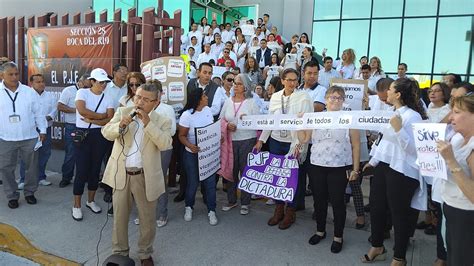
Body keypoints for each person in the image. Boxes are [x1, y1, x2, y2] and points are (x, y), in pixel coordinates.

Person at [101, 81, 172, 266]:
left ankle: (145, 253)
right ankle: (120, 252)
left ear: (156, 102)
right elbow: (106, 132)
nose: (139, 102)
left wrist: (148, 124)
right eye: (138, 97)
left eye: (146, 100)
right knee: (120, 217)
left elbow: (166, 144)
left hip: (145, 176)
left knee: (147, 220)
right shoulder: (124, 112)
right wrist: (120, 126)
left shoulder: (162, 120)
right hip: (121, 174)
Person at [361, 78, 427, 265]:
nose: (386, 92)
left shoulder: (413, 116)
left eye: (390, 89)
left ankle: (399, 257)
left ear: (398, 94)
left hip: (403, 170)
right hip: (385, 166)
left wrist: (399, 130)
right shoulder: (393, 112)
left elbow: (415, 150)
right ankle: (377, 246)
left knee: (398, 214)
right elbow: (384, 140)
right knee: (377, 206)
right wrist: (373, 161)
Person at [298, 86, 360, 253]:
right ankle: (320, 230)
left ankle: (338, 236)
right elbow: (304, 139)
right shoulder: (315, 118)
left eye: (339, 97)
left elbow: (355, 144)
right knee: (319, 200)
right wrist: (299, 125)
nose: (335, 100)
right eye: (332, 97)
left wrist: (355, 169)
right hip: (317, 165)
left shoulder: (349, 118)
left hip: (339, 167)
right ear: (325, 99)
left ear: (343, 100)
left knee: (338, 202)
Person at [254, 68, 313, 230]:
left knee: (292, 178)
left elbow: (306, 124)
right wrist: (261, 140)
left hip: (293, 142)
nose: (292, 83)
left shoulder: (303, 97)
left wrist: (299, 145)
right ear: (282, 80)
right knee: (277, 177)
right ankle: (279, 209)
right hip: (276, 141)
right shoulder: (275, 97)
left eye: (295, 80)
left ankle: (290, 211)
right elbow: (270, 121)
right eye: (289, 79)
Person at [0, 62, 47, 209]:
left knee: (32, 167)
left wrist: (43, 130)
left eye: (16, 74)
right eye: (10, 74)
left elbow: (38, 113)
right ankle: (12, 195)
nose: (14, 77)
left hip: (29, 137)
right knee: (7, 168)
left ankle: (30, 193)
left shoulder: (28, 91)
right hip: (6, 138)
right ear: (2, 75)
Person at [71, 68, 114, 221]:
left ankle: (90, 201)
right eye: (101, 82)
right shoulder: (82, 93)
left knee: (95, 169)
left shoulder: (108, 97)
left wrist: (94, 120)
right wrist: (101, 116)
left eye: (106, 82)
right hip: (83, 134)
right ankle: (76, 205)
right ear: (92, 81)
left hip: (99, 135)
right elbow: (82, 111)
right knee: (82, 170)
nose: (103, 85)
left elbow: (110, 118)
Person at [437, 95, 474, 266]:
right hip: (451, 207)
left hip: (466, 216)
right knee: (451, 255)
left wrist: (450, 160)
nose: (451, 117)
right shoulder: (459, 138)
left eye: (457, 112)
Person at [220, 74, 261, 215]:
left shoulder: (251, 103)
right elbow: (221, 119)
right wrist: (226, 125)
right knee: (231, 171)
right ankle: (232, 200)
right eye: (234, 83)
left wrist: (258, 142)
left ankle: (245, 202)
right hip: (230, 141)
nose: (235, 85)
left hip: (247, 140)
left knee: (245, 171)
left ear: (245, 87)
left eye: (239, 83)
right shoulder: (227, 102)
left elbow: (258, 123)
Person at [179, 87, 218, 225]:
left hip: (208, 153)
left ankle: (212, 210)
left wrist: (218, 137)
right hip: (191, 154)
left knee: (210, 183)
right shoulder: (187, 115)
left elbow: (212, 129)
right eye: (205, 96)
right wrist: (190, 146)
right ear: (198, 99)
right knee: (193, 182)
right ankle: (189, 207)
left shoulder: (208, 111)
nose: (207, 98)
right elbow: (181, 136)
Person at [18, 74, 57, 188]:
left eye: (43, 81)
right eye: (38, 82)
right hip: (31, 130)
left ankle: (41, 177)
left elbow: (54, 110)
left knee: (44, 153)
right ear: (32, 83)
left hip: (46, 129)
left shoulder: (50, 96)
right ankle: (23, 179)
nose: (41, 84)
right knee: (27, 155)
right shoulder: (26, 95)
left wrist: (46, 118)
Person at [58, 73, 91, 188]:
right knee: (71, 153)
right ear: (80, 82)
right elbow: (60, 106)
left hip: (87, 126)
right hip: (72, 125)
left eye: (89, 86)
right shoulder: (69, 90)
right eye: (85, 86)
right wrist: (78, 111)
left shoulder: (91, 91)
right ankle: (66, 177)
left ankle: (85, 177)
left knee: (87, 153)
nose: (87, 88)